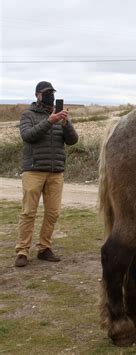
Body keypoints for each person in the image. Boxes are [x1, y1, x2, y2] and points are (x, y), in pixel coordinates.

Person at [14, 81, 79, 267]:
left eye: (52, 92)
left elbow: (73, 140)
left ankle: (44, 248)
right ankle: (22, 251)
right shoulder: (28, 115)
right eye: (46, 93)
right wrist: (49, 121)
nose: (50, 96)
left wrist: (65, 124)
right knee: (28, 213)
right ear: (37, 95)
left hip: (56, 172)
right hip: (33, 170)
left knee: (53, 213)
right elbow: (28, 136)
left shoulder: (60, 116)